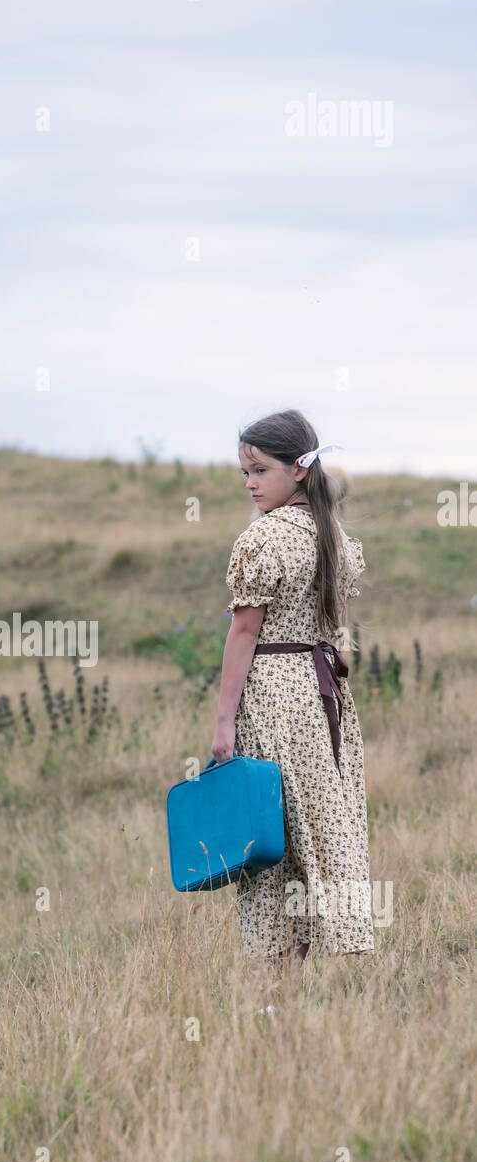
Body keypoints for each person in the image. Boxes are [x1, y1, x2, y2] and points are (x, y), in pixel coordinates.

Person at [210, 409, 373, 1009]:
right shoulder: (335, 539)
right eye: (244, 472)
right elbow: (341, 633)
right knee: (309, 836)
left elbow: (243, 633)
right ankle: (284, 994)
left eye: (260, 470)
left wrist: (225, 719)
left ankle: (269, 1001)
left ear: (298, 471)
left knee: (270, 843)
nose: (250, 483)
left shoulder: (263, 539)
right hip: (324, 696)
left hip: (275, 693)